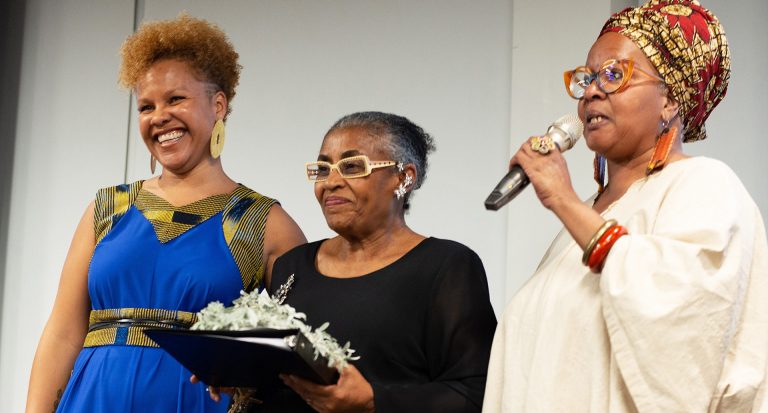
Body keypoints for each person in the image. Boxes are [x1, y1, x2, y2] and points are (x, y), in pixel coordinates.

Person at [482, 0, 768, 411]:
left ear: (670, 100)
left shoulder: (704, 183)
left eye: (615, 75)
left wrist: (561, 199)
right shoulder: (582, 217)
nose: (592, 90)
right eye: (587, 78)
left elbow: (687, 326)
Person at [25, 14, 306, 413]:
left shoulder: (265, 223)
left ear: (218, 104)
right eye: (146, 106)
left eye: (176, 99)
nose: (159, 117)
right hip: (92, 401)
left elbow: (296, 353)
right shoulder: (106, 209)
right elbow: (63, 334)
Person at [241, 111, 496, 412]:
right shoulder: (292, 266)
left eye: (351, 166)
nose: (331, 182)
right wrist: (238, 372)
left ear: (404, 178)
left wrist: (373, 401)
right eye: (323, 169)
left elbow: (475, 392)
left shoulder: (447, 267)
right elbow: (288, 374)